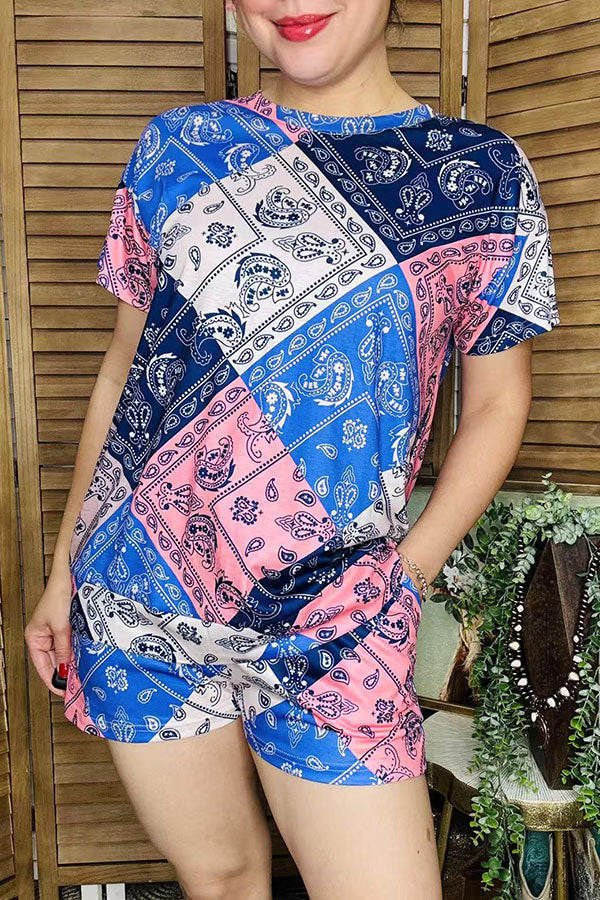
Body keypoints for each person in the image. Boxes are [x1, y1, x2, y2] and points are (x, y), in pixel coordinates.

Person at [24, 0, 560, 897]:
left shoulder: (479, 172)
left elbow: (501, 402)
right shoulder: (179, 147)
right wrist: (61, 572)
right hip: (142, 590)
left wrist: (409, 574)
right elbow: (124, 373)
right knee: (222, 878)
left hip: (340, 612)